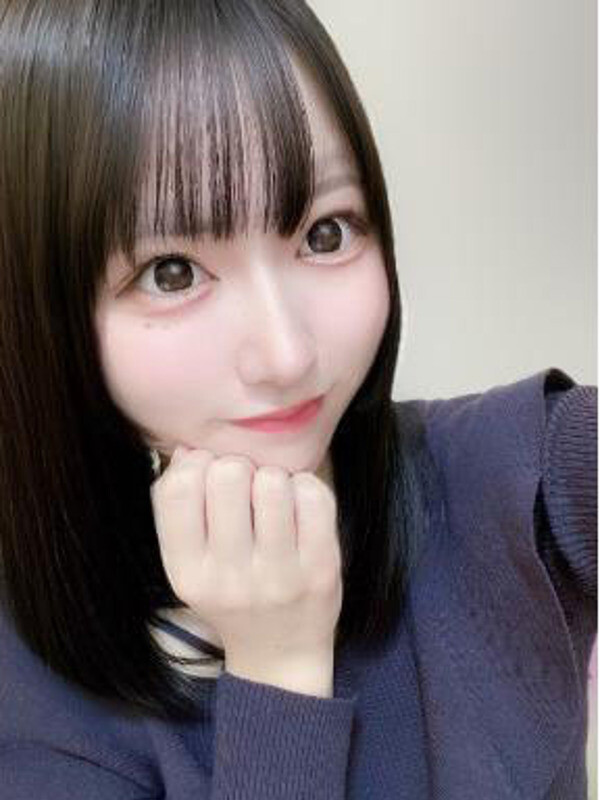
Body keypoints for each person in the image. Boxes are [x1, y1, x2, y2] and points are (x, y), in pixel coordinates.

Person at [0, 1, 596, 798]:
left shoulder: (517, 480)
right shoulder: (28, 700)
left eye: (325, 233)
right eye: (172, 272)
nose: (287, 355)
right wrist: (278, 672)